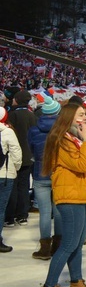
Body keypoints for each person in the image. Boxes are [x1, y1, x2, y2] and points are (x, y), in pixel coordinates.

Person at [39, 103, 86, 287]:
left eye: (85, 115)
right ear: (69, 118)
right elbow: (81, 165)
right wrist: (85, 142)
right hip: (70, 196)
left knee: (77, 245)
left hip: (82, 194)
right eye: (81, 115)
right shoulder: (61, 140)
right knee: (68, 245)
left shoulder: (75, 138)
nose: (85, 119)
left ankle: (76, 282)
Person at [28, 97, 63, 259]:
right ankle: (57, 246)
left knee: (44, 212)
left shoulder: (34, 130)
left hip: (40, 174)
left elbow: (32, 151)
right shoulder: (64, 130)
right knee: (58, 211)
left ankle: (44, 249)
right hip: (59, 174)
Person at [5, 89, 36, 227]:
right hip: (28, 156)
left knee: (12, 186)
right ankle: (22, 215)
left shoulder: (13, 115)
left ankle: (10, 216)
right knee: (24, 186)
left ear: (16, 100)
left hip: (14, 156)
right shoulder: (32, 115)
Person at [0, 107, 23, 253]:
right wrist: (16, 168)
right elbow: (16, 152)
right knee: (1, 209)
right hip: (5, 174)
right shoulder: (7, 131)